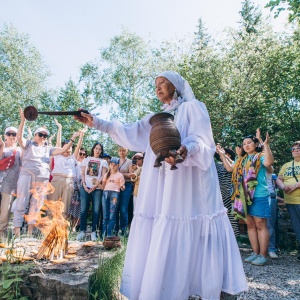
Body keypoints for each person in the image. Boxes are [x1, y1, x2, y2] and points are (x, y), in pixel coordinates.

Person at [74, 71, 247, 300]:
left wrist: (187, 150)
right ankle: (166, 288)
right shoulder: (155, 118)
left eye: (163, 83)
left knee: (188, 218)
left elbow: (203, 140)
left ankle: (203, 286)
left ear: (176, 86)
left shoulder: (193, 108)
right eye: (155, 85)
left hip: (188, 181)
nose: (158, 87)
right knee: (164, 219)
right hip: (162, 181)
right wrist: (95, 121)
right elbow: (129, 131)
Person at [13, 108, 80, 237]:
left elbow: (63, 149)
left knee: (36, 205)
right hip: (26, 175)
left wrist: (73, 138)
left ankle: (29, 233)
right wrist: (23, 121)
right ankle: (16, 233)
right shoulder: (28, 144)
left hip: (42, 179)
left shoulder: (48, 149)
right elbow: (19, 137)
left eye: (45, 136)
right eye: (41, 135)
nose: (43, 137)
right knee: (22, 203)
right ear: (35, 135)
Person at [220, 134, 274, 266]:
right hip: (243, 197)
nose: (246, 145)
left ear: (256, 144)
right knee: (250, 225)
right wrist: (222, 154)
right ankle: (255, 252)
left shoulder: (260, 156)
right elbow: (230, 168)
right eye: (244, 144)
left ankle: (263, 255)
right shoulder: (242, 159)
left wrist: (265, 145)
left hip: (259, 195)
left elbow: (269, 163)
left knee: (260, 224)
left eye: (249, 142)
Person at [77, 142, 108, 241]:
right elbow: (82, 173)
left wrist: (95, 186)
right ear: (93, 149)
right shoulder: (86, 160)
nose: (97, 150)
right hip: (85, 187)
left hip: (97, 189)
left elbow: (103, 176)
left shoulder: (103, 162)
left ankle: (94, 232)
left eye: (99, 149)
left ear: (101, 151)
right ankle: (82, 231)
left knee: (96, 210)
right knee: (83, 209)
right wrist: (84, 184)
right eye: (96, 148)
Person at [276, 141, 300, 261]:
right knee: (297, 227)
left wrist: (295, 186)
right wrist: (283, 187)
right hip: (291, 200)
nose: (296, 150)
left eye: (298, 148)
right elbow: (279, 178)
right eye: (293, 148)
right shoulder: (286, 165)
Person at [0, 127, 22, 237]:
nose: (12, 136)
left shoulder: (19, 150)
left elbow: (21, 166)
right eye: (9, 134)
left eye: (14, 134)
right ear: (5, 135)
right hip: (1, 179)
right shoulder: (2, 146)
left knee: (6, 208)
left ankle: (1, 232)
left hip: (10, 183)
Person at [215, 146, 240, 237]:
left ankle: (234, 237)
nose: (223, 155)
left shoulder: (233, 164)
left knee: (231, 215)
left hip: (230, 193)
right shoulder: (216, 165)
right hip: (219, 194)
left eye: (225, 153)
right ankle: (223, 236)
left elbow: (230, 169)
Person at [101, 157, 125, 237]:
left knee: (112, 214)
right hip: (105, 193)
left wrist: (122, 187)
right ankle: (104, 235)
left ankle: (109, 235)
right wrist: (97, 184)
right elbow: (103, 187)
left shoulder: (120, 175)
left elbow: (122, 186)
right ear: (109, 165)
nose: (113, 166)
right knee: (105, 215)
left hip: (115, 194)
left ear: (118, 165)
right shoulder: (106, 175)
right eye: (111, 164)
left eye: (115, 165)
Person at [68, 146, 87, 231]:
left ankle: (74, 227)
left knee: (78, 209)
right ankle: (67, 225)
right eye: (80, 153)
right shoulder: (73, 161)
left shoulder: (86, 165)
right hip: (71, 186)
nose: (82, 155)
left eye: (84, 154)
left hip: (80, 188)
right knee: (69, 208)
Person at [116, 147, 133, 235]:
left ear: (127, 151)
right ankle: (115, 229)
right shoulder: (116, 161)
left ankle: (123, 230)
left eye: (123, 150)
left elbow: (130, 175)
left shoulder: (129, 162)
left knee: (123, 208)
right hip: (116, 185)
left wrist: (120, 174)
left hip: (126, 185)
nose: (121, 152)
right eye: (120, 150)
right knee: (116, 207)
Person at [266, 167, 279, 259]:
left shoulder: (270, 170)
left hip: (270, 196)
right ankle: (257, 250)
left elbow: (270, 168)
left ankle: (271, 249)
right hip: (253, 195)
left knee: (269, 224)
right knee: (256, 225)